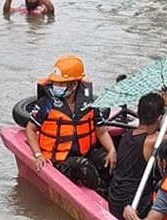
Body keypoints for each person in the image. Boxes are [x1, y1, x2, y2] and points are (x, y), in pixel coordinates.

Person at [25, 55, 117, 195]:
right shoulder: (46, 103)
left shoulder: (89, 103)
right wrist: (38, 155)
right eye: (56, 83)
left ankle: (117, 192)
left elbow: (101, 131)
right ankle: (106, 197)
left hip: (85, 152)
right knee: (83, 166)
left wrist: (111, 150)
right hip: (59, 159)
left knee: (108, 160)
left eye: (61, 83)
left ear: (74, 85)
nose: (57, 86)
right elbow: (30, 130)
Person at [106, 92, 167, 220]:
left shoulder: (128, 135)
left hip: (115, 201)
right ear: (160, 119)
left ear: (138, 113)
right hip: (134, 205)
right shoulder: (150, 141)